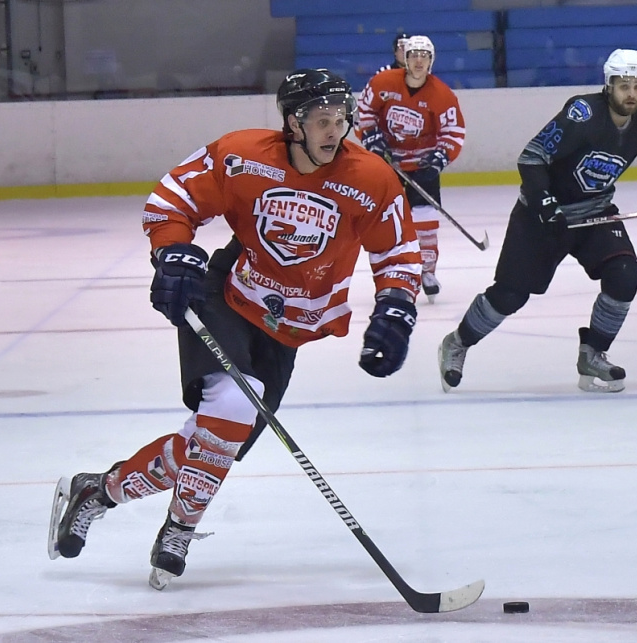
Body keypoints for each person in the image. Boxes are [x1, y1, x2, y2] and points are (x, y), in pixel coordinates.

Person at [51, 69, 422, 590]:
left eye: (341, 119)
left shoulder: (371, 178)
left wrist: (396, 307)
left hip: (292, 326)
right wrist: (172, 252)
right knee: (232, 406)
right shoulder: (242, 156)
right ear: (293, 123)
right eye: (321, 120)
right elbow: (173, 198)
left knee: (212, 444)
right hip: (226, 295)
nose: (333, 131)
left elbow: (398, 250)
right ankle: (179, 530)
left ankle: (99, 490)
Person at [437, 49, 637, 394]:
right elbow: (531, 158)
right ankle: (457, 343)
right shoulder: (583, 114)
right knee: (510, 295)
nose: (631, 94)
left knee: (624, 275)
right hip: (542, 216)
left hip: (596, 213)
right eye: (623, 86)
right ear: (608, 85)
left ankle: (593, 353)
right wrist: (545, 203)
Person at [356, 35, 465, 303]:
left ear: (431, 61)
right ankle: (392, 273)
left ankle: (427, 271)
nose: (419, 61)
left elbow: (453, 131)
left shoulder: (442, 94)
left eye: (424, 56)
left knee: (425, 218)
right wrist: (372, 138)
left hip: (421, 162)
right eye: (414, 55)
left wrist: (439, 158)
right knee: (387, 219)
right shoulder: (383, 82)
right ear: (405, 59)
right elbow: (364, 112)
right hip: (387, 161)